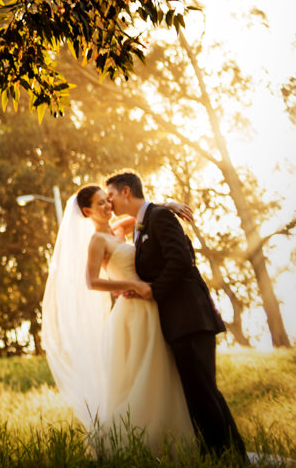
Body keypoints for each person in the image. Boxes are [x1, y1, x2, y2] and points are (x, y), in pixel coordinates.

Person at [42, 183, 194, 456]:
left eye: (107, 201)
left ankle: (169, 437)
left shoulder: (121, 229)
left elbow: (145, 212)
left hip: (150, 305)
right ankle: (133, 443)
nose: (107, 206)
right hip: (131, 312)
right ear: (87, 211)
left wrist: (169, 205)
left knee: (160, 370)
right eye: (100, 203)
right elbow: (92, 281)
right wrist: (131, 285)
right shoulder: (97, 242)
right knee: (137, 375)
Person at [105, 170, 248, 459]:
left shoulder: (158, 218)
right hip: (178, 322)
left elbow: (181, 261)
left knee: (204, 392)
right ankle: (224, 456)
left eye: (110, 196)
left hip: (192, 318)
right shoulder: (145, 223)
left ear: (126, 192)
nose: (109, 204)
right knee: (198, 394)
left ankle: (228, 457)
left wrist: (152, 291)